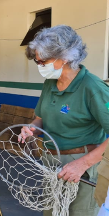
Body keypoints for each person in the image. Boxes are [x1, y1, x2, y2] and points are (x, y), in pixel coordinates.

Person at [19, 25, 109, 216]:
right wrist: (31, 128)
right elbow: (40, 118)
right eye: (37, 60)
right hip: (52, 162)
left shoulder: (93, 88)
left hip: (82, 166)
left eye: (43, 60)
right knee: (51, 212)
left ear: (66, 57)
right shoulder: (50, 83)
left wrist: (83, 164)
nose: (39, 64)